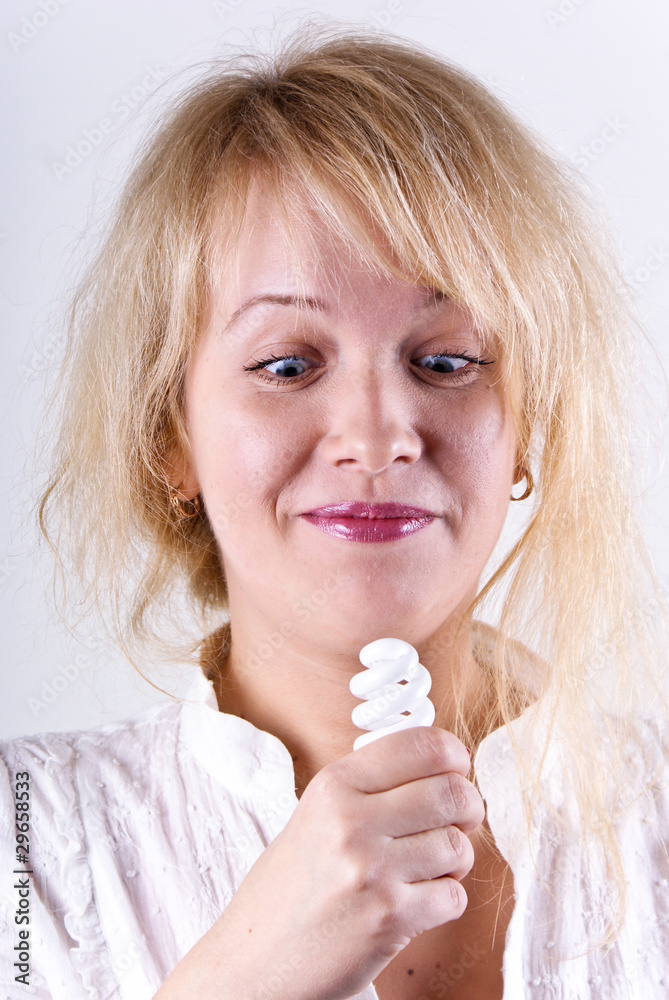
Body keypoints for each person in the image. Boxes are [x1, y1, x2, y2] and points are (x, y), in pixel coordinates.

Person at [1, 25, 668, 1000]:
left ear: (530, 426)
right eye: (286, 365)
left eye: (445, 360)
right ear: (170, 436)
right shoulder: (24, 846)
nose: (377, 433)